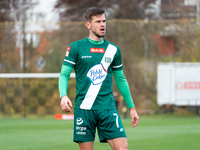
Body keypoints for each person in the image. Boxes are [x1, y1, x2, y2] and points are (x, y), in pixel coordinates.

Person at [58, 7, 139, 150]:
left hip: (107, 108)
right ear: (88, 25)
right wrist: (63, 96)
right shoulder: (76, 48)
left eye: (104, 21)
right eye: (98, 21)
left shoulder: (113, 50)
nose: (102, 24)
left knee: (122, 148)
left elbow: (120, 79)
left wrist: (131, 107)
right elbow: (64, 74)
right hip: (84, 109)